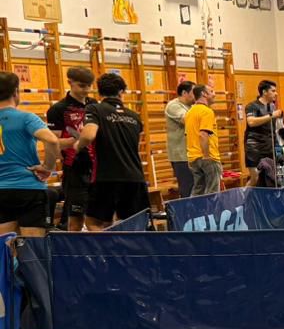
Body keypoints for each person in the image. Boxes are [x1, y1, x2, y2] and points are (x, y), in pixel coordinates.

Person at [78, 73, 148, 229]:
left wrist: (78, 145)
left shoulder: (95, 109)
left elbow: (88, 135)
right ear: (121, 92)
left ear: (99, 91)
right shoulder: (134, 116)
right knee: (133, 224)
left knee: (94, 223)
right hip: (135, 177)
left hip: (106, 177)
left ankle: (107, 246)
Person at [0, 71, 59, 242]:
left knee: (5, 246)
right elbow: (52, 140)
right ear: (16, 92)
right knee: (33, 246)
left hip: (1, 190)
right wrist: (47, 167)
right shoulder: (26, 118)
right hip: (28, 187)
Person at [45, 65, 94, 230]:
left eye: (89, 86)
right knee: (75, 221)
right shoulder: (58, 109)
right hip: (75, 170)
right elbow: (53, 142)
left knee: (100, 218)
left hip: (98, 169)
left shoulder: (95, 106)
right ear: (70, 82)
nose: (86, 90)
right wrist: (76, 140)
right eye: (82, 86)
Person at [243, 79, 284, 187]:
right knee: (256, 177)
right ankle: (243, 196)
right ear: (264, 92)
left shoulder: (272, 106)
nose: (276, 93)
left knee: (269, 177)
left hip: (269, 147)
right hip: (254, 148)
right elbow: (251, 122)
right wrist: (271, 115)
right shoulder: (252, 106)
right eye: (273, 91)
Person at [185, 83, 222, 196]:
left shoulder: (190, 112)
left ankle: (193, 208)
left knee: (198, 191)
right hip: (207, 157)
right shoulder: (207, 111)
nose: (214, 94)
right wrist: (206, 156)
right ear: (203, 94)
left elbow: (188, 135)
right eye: (211, 91)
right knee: (213, 192)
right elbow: (203, 135)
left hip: (193, 158)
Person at [164, 81, 195, 196]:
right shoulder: (174, 106)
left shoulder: (192, 107)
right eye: (193, 92)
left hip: (193, 153)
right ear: (184, 93)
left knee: (198, 188)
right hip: (181, 156)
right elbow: (188, 120)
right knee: (187, 188)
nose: (196, 95)